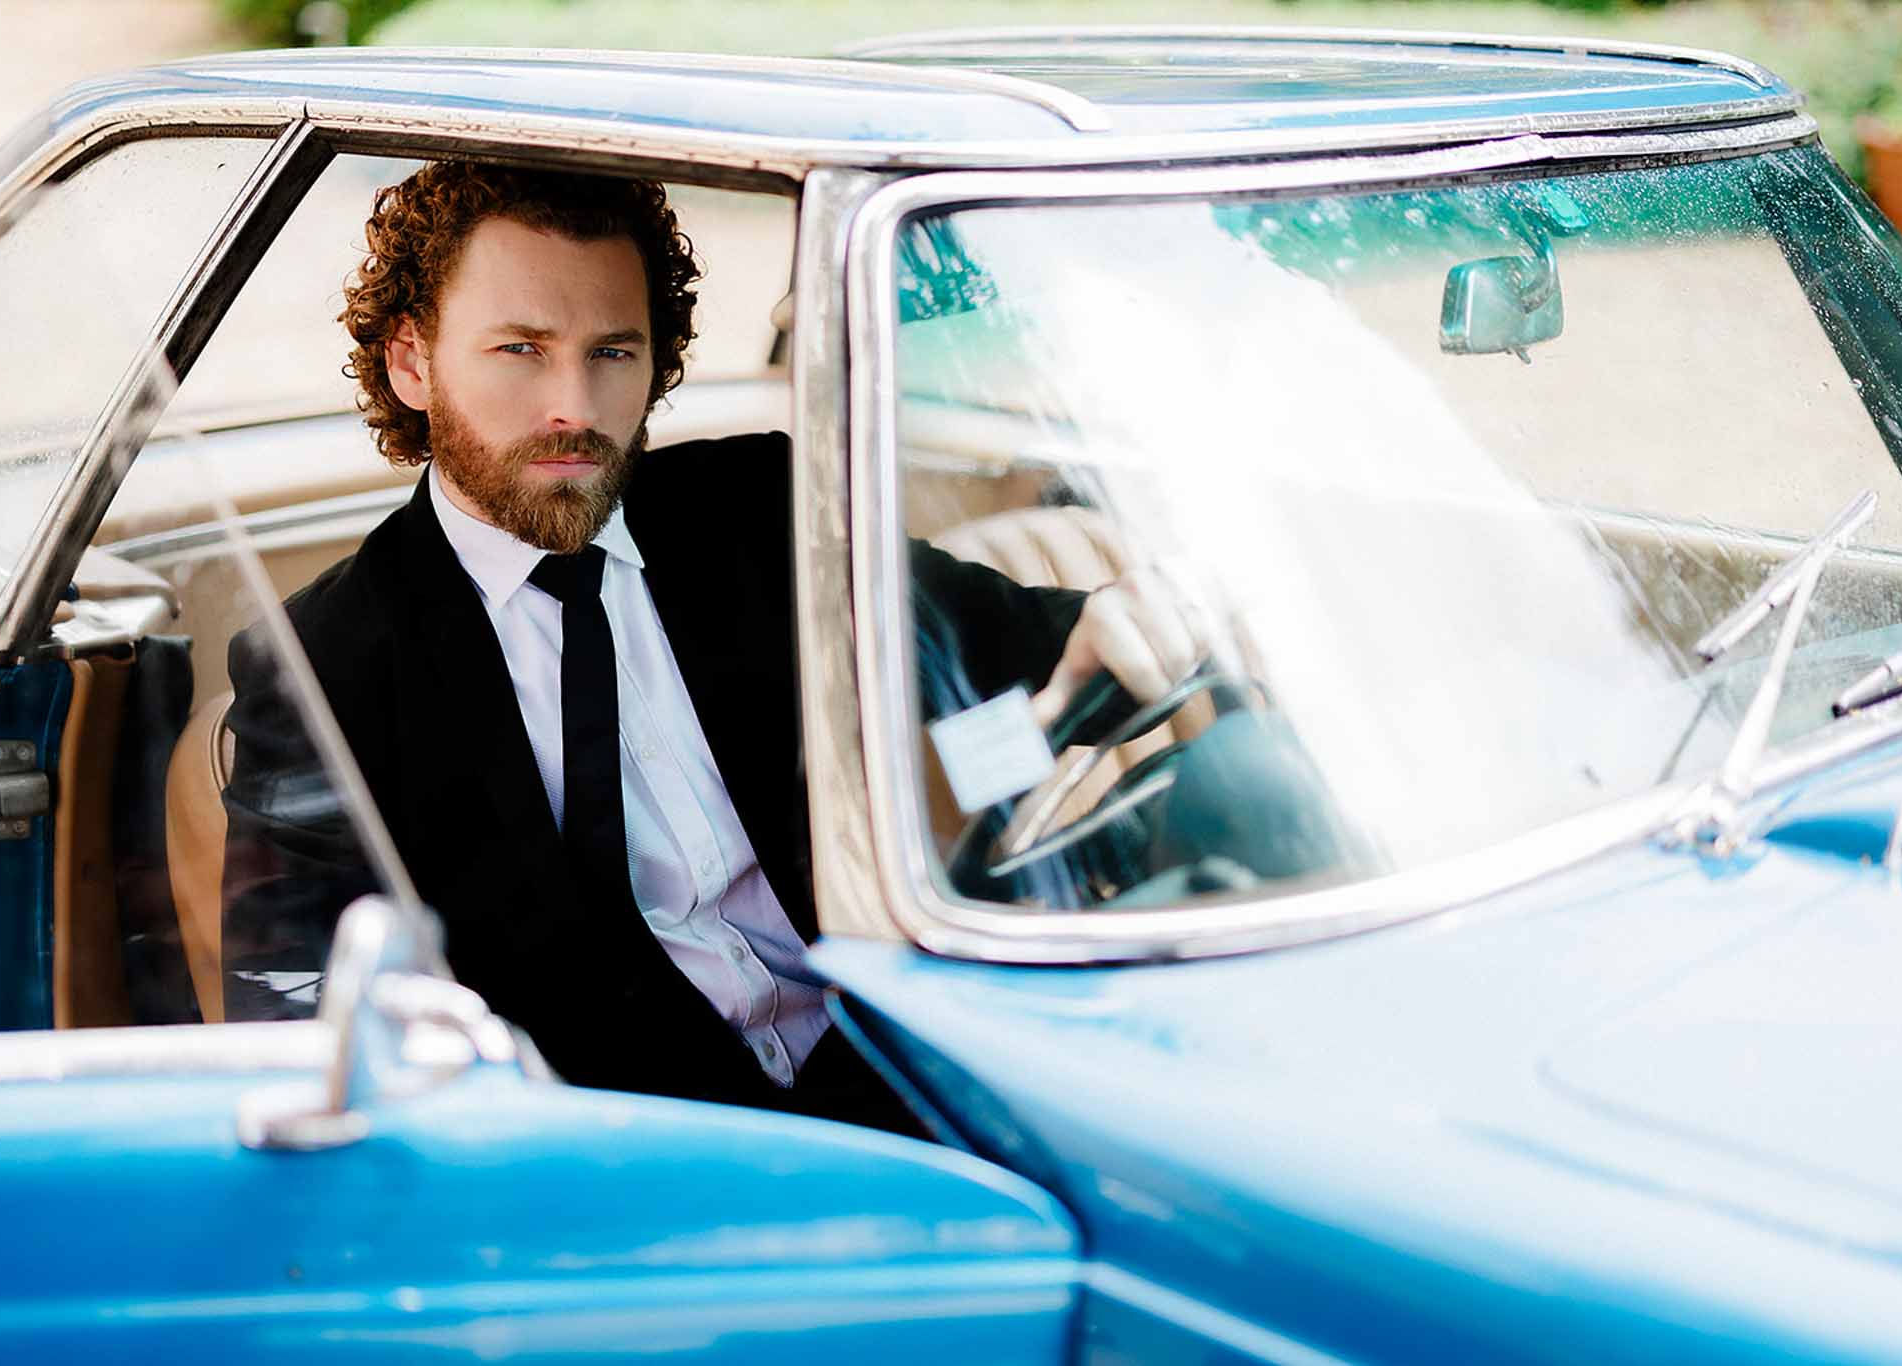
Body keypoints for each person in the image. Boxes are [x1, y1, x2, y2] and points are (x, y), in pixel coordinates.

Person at [220, 160, 1197, 1133]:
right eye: (520, 349)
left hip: (918, 1067)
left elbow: (1048, 662)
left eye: (613, 352)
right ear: (411, 362)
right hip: (631, 1172)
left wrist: (1125, 635)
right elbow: (300, 1014)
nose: (573, 406)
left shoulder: (755, 509)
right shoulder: (320, 659)